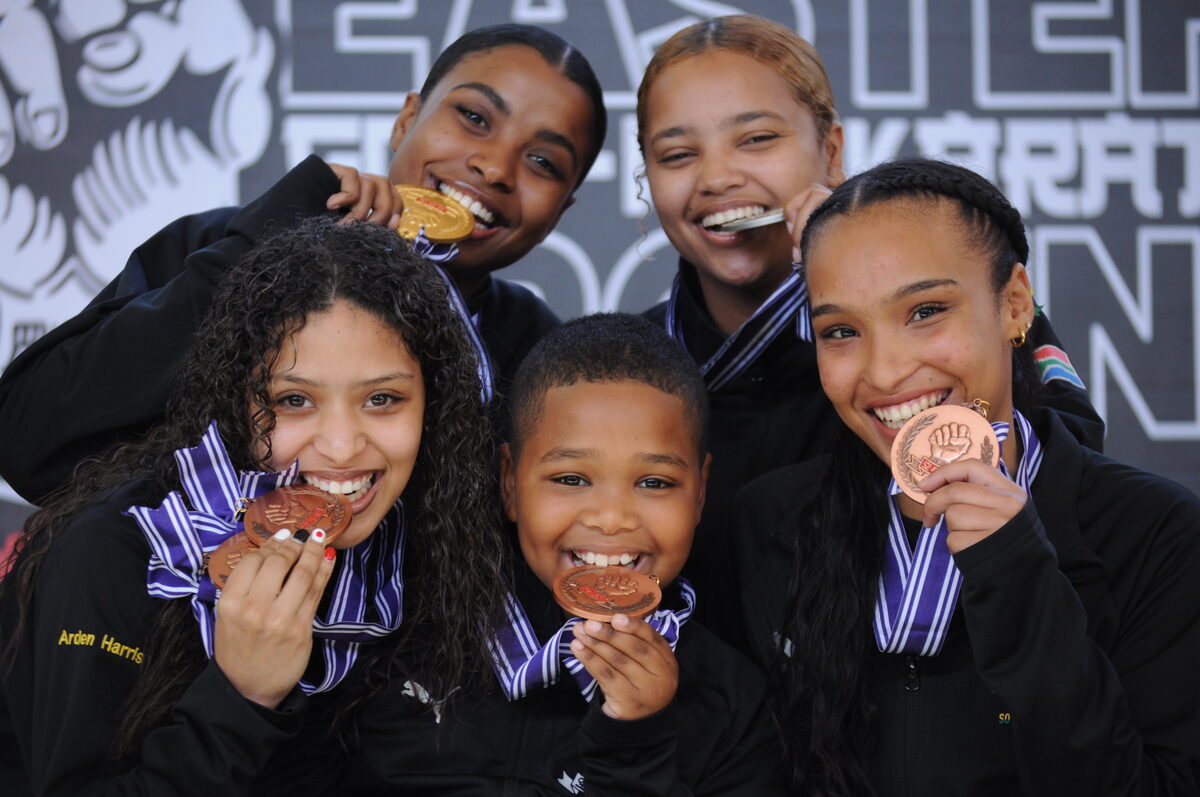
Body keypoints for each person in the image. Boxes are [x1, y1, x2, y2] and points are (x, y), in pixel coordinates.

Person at [732, 157, 1200, 795]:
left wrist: (1018, 577)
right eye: (840, 331)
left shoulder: (1158, 534)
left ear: (1013, 306)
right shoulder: (770, 525)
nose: (887, 372)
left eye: (925, 311)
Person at [0, 217, 509, 795]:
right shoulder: (116, 554)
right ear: (236, 401)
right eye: (293, 400)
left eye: (383, 399)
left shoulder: (422, 550)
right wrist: (242, 695)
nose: (341, 447)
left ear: (432, 408)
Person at [0, 23, 607, 504]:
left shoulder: (535, 351)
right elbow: (28, 440)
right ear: (405, 120)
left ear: (565, 207)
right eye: (473, 118)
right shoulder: (225, 243)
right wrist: (271, 240)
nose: (496, 167)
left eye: (543, 162)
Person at [634, 14, 1102, 637]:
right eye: (678, 154)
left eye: (756, 140)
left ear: (830, 152)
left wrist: (855, 248)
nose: (717, 177)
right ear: (645, 174)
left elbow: (1066, 449)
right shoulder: (630, 362)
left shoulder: (907, 362)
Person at [331, 314, 781, 795]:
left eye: (655, 483)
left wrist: (634, 742)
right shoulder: (395, 627)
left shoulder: (733, 702)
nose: (611, 518)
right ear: (509, 482)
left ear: (700, 493)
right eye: (571, 479)